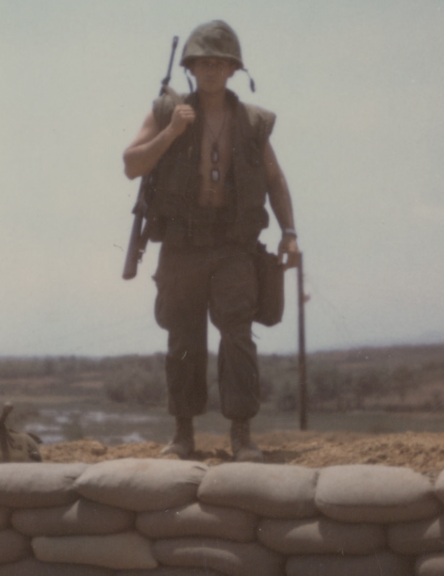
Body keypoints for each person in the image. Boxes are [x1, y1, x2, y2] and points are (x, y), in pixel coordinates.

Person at [122, 20, 299, 462]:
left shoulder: (252, 122)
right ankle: (183, 436)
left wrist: (290, 233)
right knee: (182, 339)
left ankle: (241, 435)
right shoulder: (167, 112)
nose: (212, 71)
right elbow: (131, 164)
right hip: (181, 245)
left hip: (233, 245)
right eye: (204, 63)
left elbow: (275, 181)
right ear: (191, 68)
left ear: (234, 69)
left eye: (221, 63)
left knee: (238, 336)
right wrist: (172, 133)